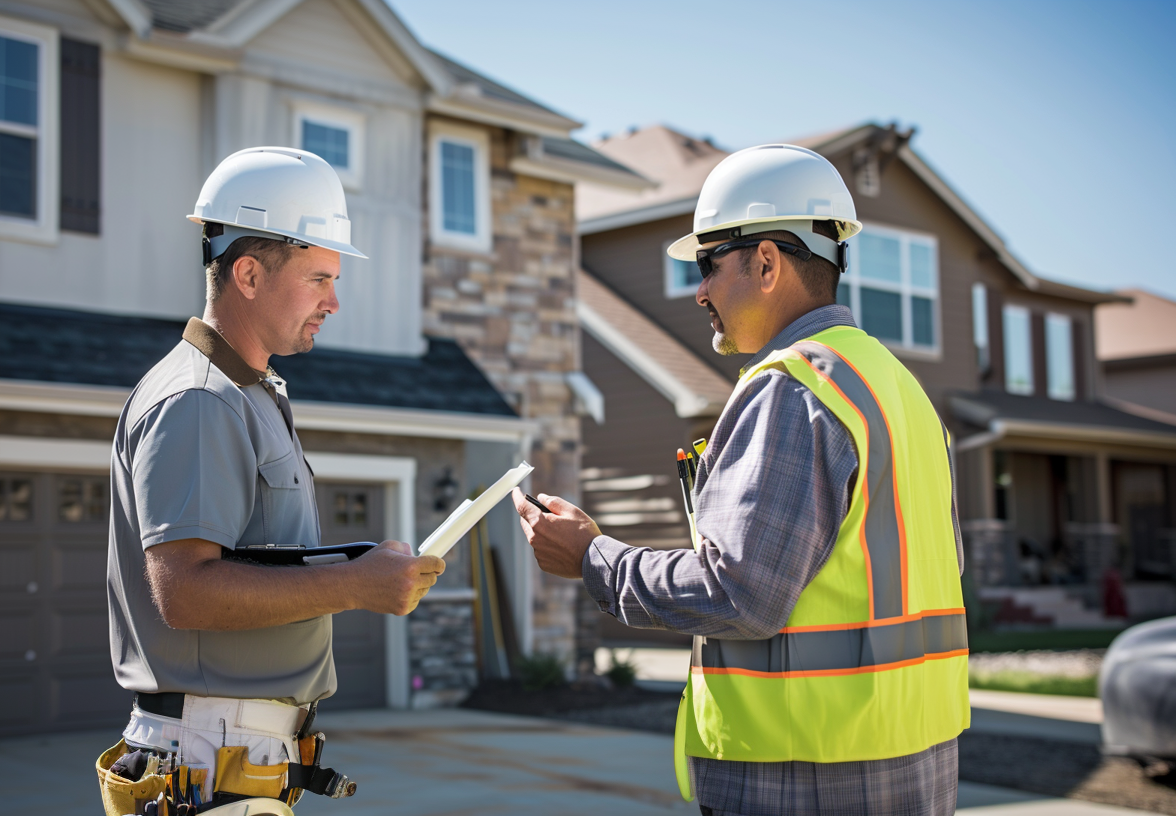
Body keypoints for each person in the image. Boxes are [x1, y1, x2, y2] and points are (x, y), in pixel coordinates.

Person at [514, 144, 968, 816]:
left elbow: (739, 595)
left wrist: (592, 559)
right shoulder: (899, 391)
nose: (699, 291)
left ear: (766, 262)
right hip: (915, 761)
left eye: (707, 263)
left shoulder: (793, 391)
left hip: (803, 773)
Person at [104, 147, 445, 807]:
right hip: (208, 753)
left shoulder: (251, 394)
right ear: (250, 274)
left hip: (229, 753)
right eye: (319, 278)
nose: (335, 301)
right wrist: (355, 585)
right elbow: (185, 594)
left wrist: (361, 570)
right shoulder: (198, 400)